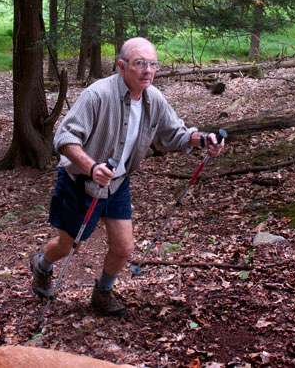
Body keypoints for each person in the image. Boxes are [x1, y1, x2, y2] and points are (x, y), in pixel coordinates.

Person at [29, 37, 224, 317]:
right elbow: (65, 137)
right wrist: (91, 166)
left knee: (124, 247)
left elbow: (174, 134)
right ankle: (42, 265)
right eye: (140, 63)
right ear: (122, 66)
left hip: (117, 184)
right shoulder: (97, 95)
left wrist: (203, 139)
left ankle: (102, 293)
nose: (148, 71)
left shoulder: (153, 99)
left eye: (153, 64)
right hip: (80, 182)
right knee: (69, 243)